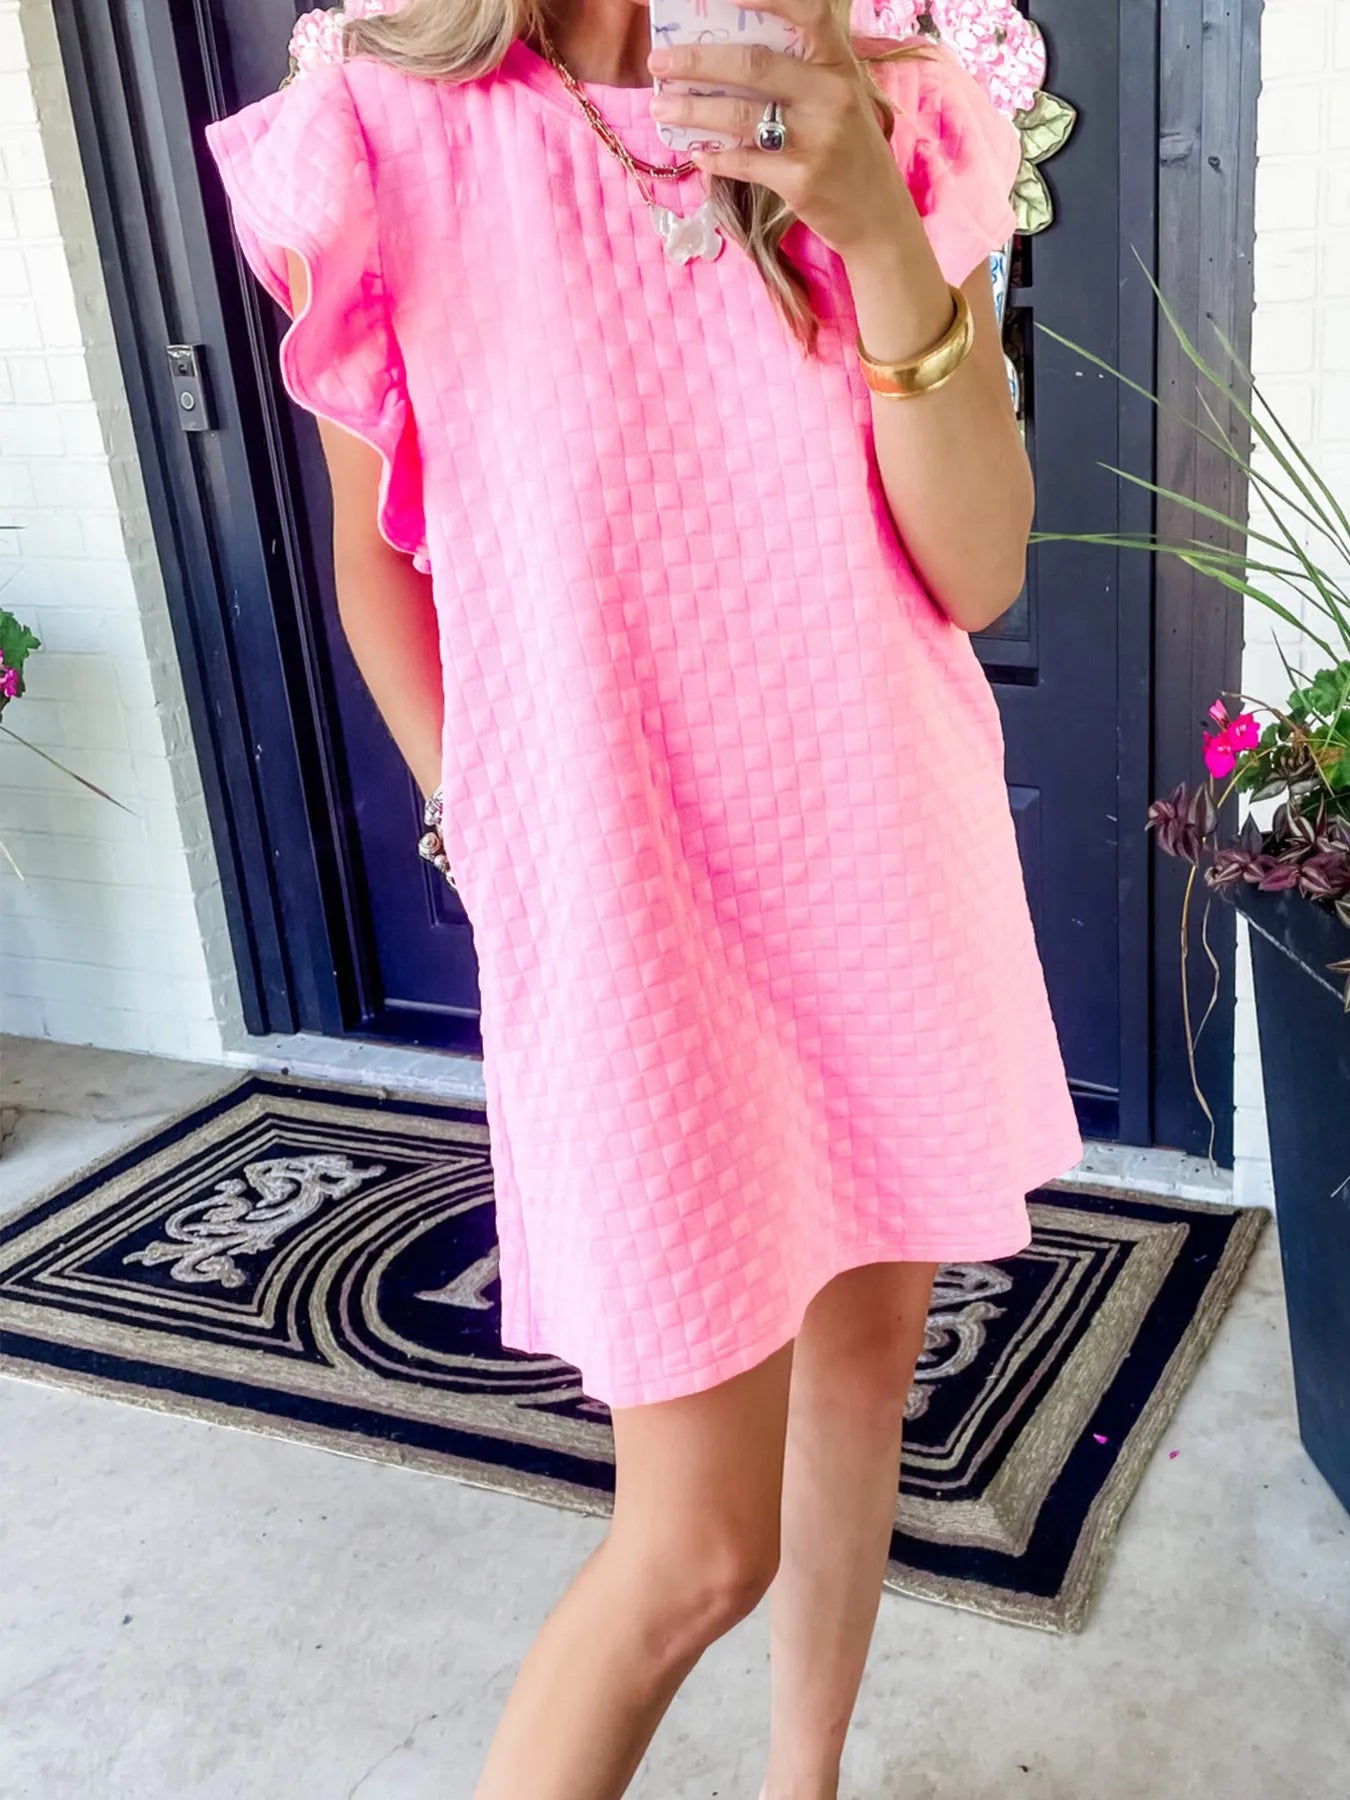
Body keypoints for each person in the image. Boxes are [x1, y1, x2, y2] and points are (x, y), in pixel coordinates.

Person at [205, 1, 1082, 1793]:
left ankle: (801, 1784)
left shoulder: (888, 94)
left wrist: (871, 221)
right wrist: (495, 845)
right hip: (628, 923)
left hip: (882, 858)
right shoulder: (381, 129)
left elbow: (978, 566)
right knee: (692, 1551)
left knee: (861, 1372)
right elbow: (381, 571)